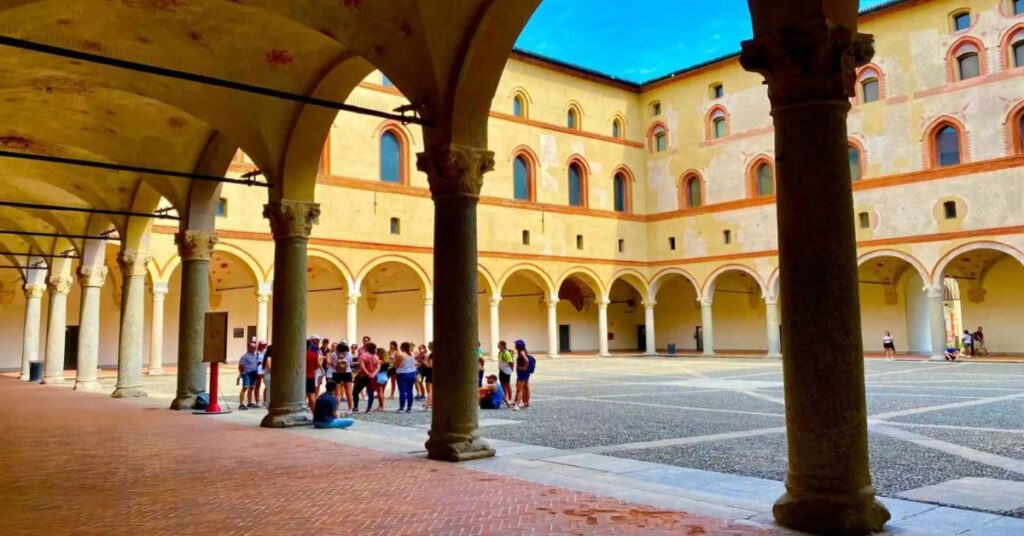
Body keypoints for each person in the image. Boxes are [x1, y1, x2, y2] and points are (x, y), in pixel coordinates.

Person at [357, 343, 381, 414]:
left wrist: (368, 373)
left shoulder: (363, 355)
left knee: (356, 391)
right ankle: (369, 408)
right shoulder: (375, 356)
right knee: (371, 392)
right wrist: (374, 373)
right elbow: (378, 366)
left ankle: (355, 407)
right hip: (373, 376)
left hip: (364, 376)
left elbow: (362, 366)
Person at [394, 342, 418, 412]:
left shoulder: (401, 355)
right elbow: (415, 364)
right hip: (411, 373)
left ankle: (401, 408)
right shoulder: (412, 355)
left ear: (403, 347)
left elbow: (395, 365)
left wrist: (394, 362)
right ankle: (409, 408)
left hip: (402, 373)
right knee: (410, 390)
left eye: (401, 346)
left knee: (402, 391)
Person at [332, 340, 354, 415]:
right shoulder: (349, 354)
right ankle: (350, 408)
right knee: (348, 392)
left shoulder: (334, 354)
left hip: (336, 373)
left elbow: (333, 365)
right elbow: (350, 364)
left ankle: (336, 409)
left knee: (337, 393)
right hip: (347, 373)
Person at [237, 342, 261, 409]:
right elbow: (240, 366)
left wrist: (258, 364)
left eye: (255, 348)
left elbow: (254, 363)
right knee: (245, 387)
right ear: (249, 348)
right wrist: (242, 373)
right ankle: (241, 404)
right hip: (247, 373)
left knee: (251, 388)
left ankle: (249, 403)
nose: (254, 349)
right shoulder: (244, 356)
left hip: (254, 373)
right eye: (253, 348)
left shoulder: (255, 355)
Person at [513, 339, 532, 411]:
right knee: (526, 387)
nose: (515, 346)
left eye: (515, 344)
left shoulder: (521, 352)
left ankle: (517, 404)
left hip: (522, 372)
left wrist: (523, 367)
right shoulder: (523, 351)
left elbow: (526, 360)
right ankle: (526, 403)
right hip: (525, 373)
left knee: (520, 389)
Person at [496, 340, 514, 407]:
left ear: (503, 345)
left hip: (506, 371)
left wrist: (511, 369)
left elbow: (510, 362)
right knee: (503, 385)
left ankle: (509, 399)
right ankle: (504, 398)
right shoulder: (500, 352)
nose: (498, 345)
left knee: (507, 385)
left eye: (499, 344)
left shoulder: (506, 353)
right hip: (502, 370)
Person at [305, 335, 321, 412]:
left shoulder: (298, 355)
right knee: (312, 396)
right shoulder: (314, 355)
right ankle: (314, 413)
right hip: (311, 377)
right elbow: (316, 366)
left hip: (300, 378)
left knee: (301, 396)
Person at [254, 340, 268, 406]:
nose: (265, 346)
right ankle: (257, 401)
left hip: (264, 370)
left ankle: (265, 400)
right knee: (257, 386)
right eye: (264, 345)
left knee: (267, 385)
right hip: (258, 370)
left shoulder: (265, 352)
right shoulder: (256, 353)